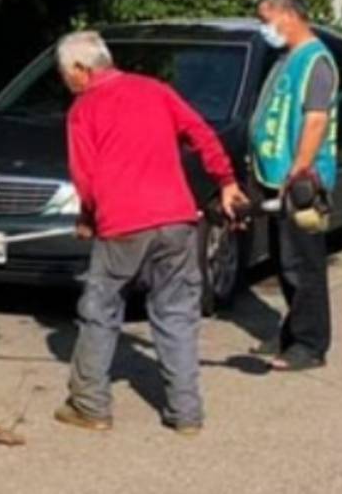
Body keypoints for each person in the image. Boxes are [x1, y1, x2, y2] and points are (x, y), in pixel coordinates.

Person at [52, 31, 248, 436]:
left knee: (100, 311)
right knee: (176, 314)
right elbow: (202, 134)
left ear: (81, 69)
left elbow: (84, 176)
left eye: (64, 73)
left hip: (122, 225)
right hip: (177, 220)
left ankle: (90, 405)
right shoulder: (155, 91)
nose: (64, 80)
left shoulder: (83, 110)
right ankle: (186, 414)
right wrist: (226, 181)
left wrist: (88, 217)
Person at [249, 0, 339, 372]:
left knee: (303, 263)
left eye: (265, 19)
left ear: (287, 14)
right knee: (284, 261)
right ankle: (292, 330)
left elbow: (316, 119)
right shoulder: (287, 58)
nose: (263, 27)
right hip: (273, 174)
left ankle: (310, 343)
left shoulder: (316, 61)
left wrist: (298, 168)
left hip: (300, 181)